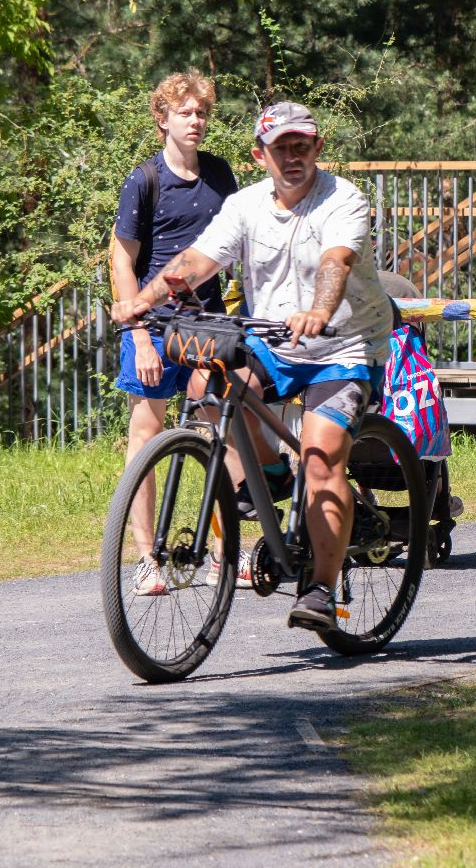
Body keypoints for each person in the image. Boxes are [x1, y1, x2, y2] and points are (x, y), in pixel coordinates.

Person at [111, 101, 394, 630]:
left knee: (321, 456)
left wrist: (320, 310)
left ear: (318, 149)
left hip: (343, 345)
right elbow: (195, 262)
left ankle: (319, 592)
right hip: (274, 341)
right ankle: (268, 473)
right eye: (280, 147)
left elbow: (336, 261)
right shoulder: (244, 205)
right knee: (212, 386)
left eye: (301, 145)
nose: (292, 156)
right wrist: (145, 300)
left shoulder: (343, 199)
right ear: (259, 154)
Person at [110, 71, 240, 595]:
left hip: (206, 326)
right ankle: (147, 559)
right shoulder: (145, 180)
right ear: (161, 119)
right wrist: (139, 334)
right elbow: (122, 259)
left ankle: (224, 553)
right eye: (184, 113)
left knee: (220, 433)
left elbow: (237, 246)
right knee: (146, 439)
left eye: (201, 113)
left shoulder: (220, 174)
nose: (195, 121)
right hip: (154, 326)